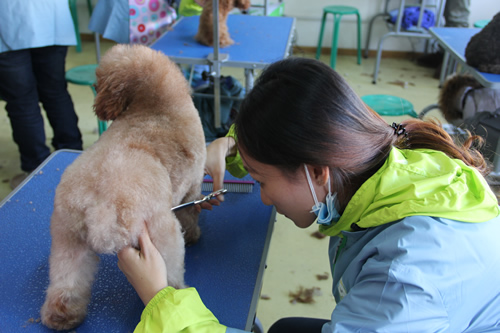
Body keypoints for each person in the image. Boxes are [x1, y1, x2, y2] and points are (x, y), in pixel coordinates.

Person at [118, 57, 500, 332]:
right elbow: (287, 133)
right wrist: (231, 147)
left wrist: (160, 298)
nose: (263, 199)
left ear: (316, 171)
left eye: (261, 181)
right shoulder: (388, 155)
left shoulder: (403, 283)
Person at [0, 1, 83, 189]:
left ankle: (36, 170)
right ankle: (74, 158)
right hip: (51, 18)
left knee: (22, 103)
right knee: (55, 93)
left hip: (8, 20)